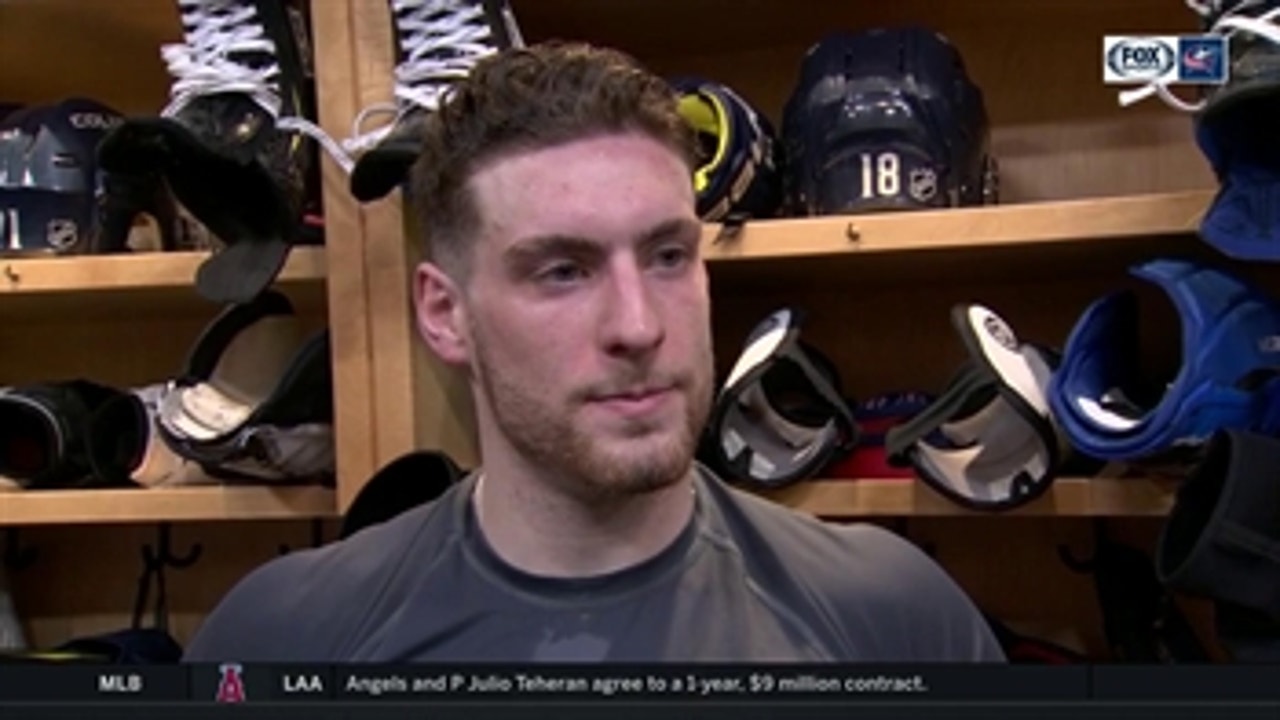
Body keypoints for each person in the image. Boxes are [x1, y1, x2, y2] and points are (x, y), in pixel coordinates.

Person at [182, 41, 1005, 663]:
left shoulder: (893, 622)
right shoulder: (286, 642)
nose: (639, 326)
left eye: (668, 256)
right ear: (445, 314)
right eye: (564, 271)